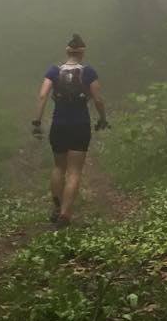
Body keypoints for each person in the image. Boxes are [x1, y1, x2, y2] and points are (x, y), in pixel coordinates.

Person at [31, 34, 109, 228]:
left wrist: (37, 122)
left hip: (59, 125)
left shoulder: (54, 71)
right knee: (74, 172)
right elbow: (98, 99)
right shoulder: (88, 72)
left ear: (67, 51)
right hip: (80, 125)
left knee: (59, 167)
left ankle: (56, 209)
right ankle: (65, 214)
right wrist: (103, 118)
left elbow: (42, 96)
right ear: (83, 53)